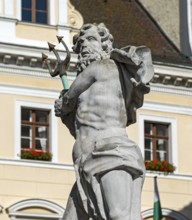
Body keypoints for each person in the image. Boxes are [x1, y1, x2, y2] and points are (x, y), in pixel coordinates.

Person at [55, 23, 154, 220]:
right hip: (85, 161)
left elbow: (68, 98)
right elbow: (79, 128)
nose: (84, 45)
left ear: (105, 46)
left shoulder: (103, 67)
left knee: (118, 215)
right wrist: (67, 113)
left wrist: (64, 102)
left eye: (91, 39)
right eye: (81, 42)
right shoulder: (86, 91)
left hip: (110, 153)